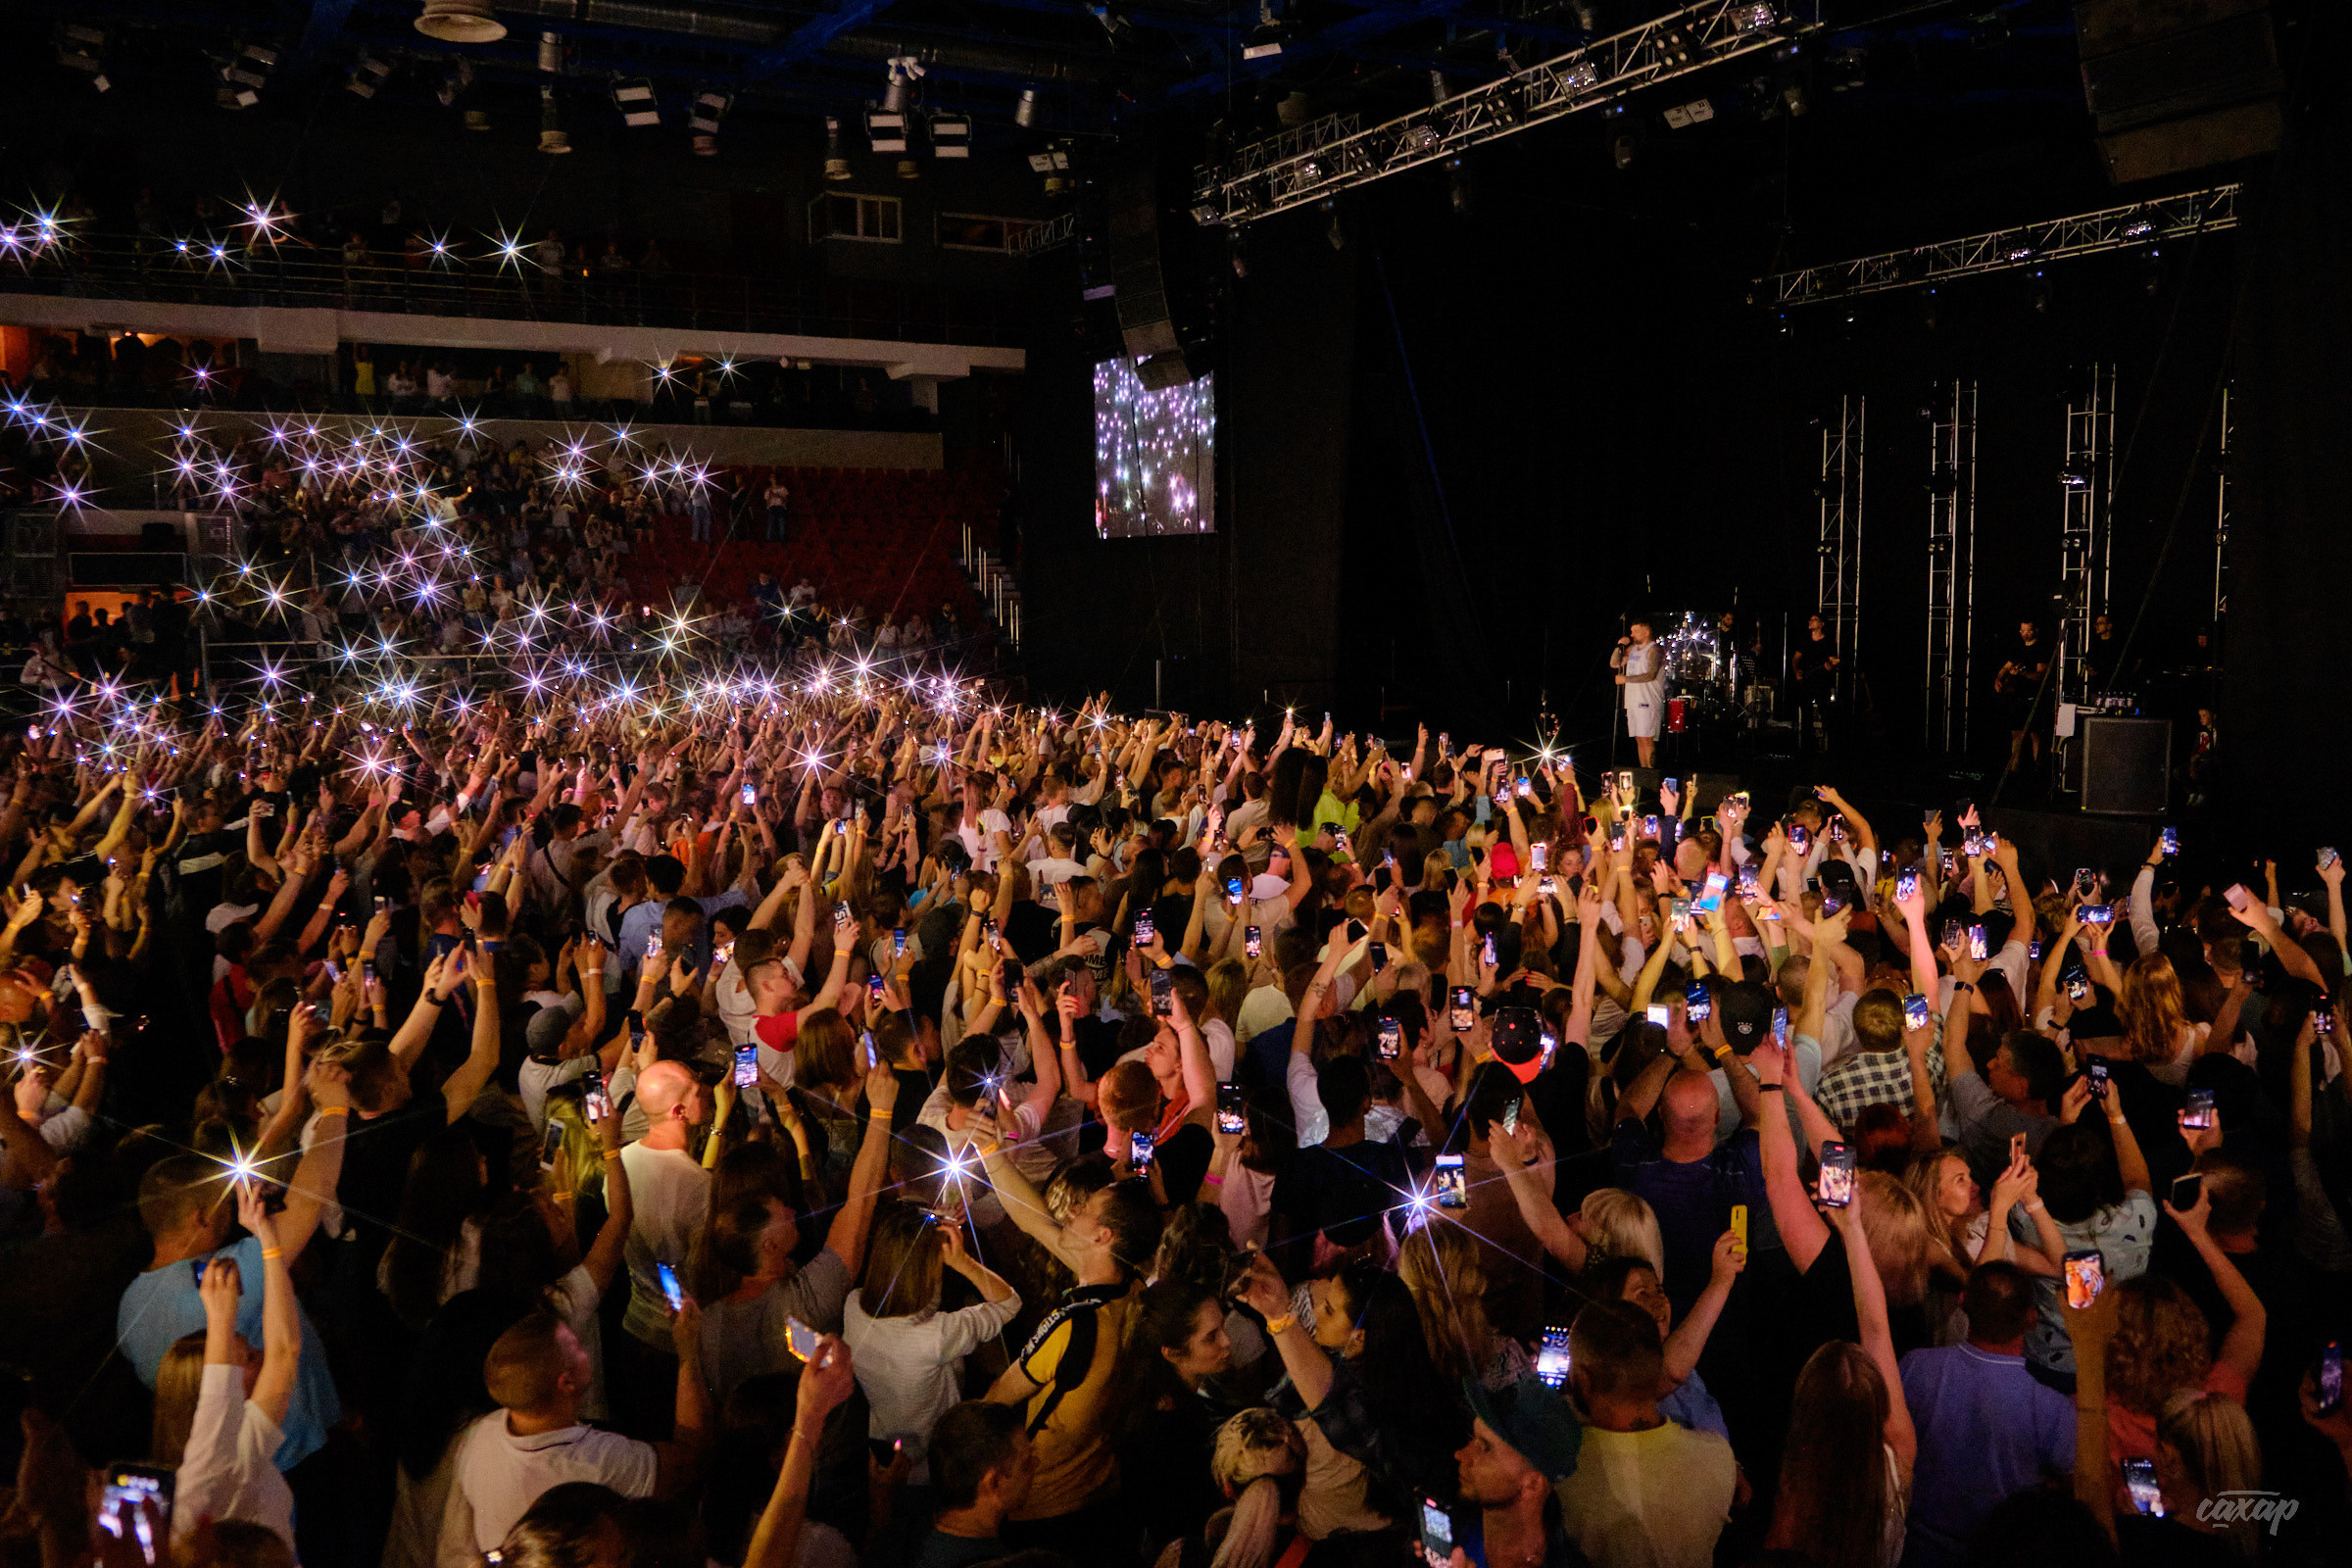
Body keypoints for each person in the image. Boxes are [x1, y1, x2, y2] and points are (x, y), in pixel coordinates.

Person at [1897, 1261, 2077, 1568]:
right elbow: (2078, 1492)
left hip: (1916, 1552)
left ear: (1963, 1302)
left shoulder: (1915, 1367)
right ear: (2031, 1319)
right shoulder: (2051, 1407)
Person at [918, 1401, 1036, 1568]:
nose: (1036, 1464)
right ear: (995, 1483)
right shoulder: (998, 1562)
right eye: (1026, 1464)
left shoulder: (910, 1536)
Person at [1609, 617, 1664, 769]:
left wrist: (1625, 679)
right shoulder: (1632, 649)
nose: (1632, 635)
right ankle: (1643, 771)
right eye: (1632, 631)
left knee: (1647, 739)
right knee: (1639, 739)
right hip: (1633, 700)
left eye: (1636, 631)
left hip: (1648, 700)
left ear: (1646, 632)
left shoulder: (1655, 649)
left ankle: (1651, 772)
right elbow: (1614, 663)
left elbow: (1651, 674)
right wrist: (1620, 645)